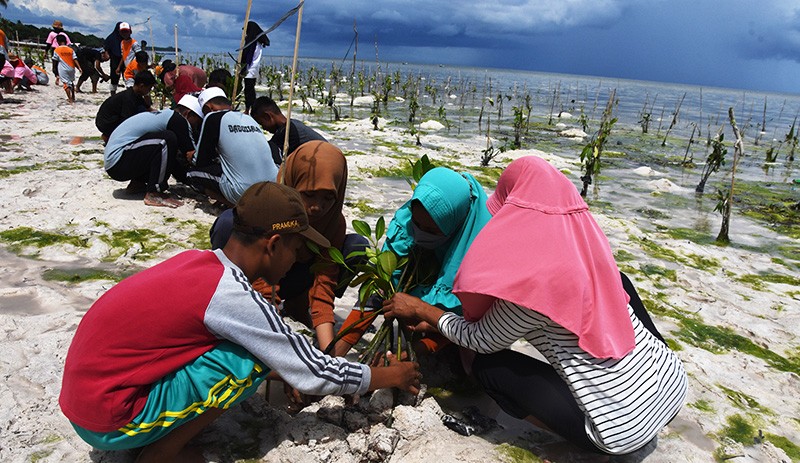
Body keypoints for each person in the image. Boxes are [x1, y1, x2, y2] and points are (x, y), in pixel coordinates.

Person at [60, 181, 420, 463]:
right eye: (295, 249)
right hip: (111, 418)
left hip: (87, 398)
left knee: (254, 352)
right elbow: (312, 369)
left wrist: (286, 368)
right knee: (250, 360)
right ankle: (159, 456)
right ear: (273, 244)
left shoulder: (201, 263)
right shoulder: (232, 296)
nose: (296, 259)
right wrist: (390, 376)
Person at [384, 156, 688, 457]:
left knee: (487, 367)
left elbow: (481, 340)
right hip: (673, 385)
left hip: (620, 432)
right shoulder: (588, 247)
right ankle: (641, 377)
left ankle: (569, 430)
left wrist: (424, 310)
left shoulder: (535, 283)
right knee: (620, 282)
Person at [210, 141, 367, 352]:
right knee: (228, 222)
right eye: (308, 195)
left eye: (328, 197)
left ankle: (298, 305)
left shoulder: (333, 223)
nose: (317, 207)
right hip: (256, 274)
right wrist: (273, 339)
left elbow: (324, 284)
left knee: (357, 246)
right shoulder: (267, 212)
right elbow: (261, 279)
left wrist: (328, 353)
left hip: (298, 274)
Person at [334, 167, 491, 357]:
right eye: (417, 224)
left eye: (431, 231)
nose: (420, 234)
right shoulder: (407, 225)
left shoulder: (478, 250)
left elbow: (467, 320)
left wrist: (408, 355)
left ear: (455, 225)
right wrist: (333, 356)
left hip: (462, 331)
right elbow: (382, 285)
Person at [185, 87, 279, 207]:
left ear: (209, 107)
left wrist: (192, 156)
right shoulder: (248, 118)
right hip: (273, 189)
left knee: (192, 174)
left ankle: (232, 204)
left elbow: (201, 161)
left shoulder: (213, 117)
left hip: (243, 192)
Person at [103, 105, 196, 208]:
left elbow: (169, 159)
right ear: (188, 113)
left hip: (115, 163)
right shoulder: (178, 119)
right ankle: (154, 193)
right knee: (166, 140)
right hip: (118, 162)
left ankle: (138, 183)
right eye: (198, 120)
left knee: (160, 147)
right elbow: (190, 153)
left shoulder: (164, 116)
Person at [251, 95, 327, 165]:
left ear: (267, 116)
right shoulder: (294, 123)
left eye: (261, 123)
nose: (263, 128)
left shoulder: (287, 131)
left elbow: (268, 154)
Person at [95, 70, 155, 142]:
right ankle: (109, 136)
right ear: (141, 86)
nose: (149, 91)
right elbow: (127, 120)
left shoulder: (136, 94)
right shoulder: (129, 98)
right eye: (149, 88)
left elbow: (148, 109)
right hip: (105, 122)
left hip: (111, 118)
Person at [241, 21, 269, 114]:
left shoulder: (252, 42)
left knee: (248, 91)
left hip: (250, 69)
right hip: (255, 69)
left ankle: (249, 109)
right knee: (250, 90)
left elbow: (248, 56)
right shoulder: (258, 41)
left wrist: (243, 68)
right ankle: (250, 108)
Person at [51, 34, 82, 103]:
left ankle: (70, 99)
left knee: (66, 84)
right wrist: (79, 67)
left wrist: (54, 70)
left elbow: (54, 61)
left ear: (58, 41)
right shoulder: (71, 50)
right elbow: (75, 59)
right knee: (71, 82)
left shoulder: (57, 50)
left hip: (63, 69)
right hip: (71, 68)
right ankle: (73, 97)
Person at [104, 22, 124, 95]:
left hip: (124, 60)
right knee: (114, 78)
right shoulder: (111, 37)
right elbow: (106, 47)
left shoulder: (124, 37)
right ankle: (113, 94)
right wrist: (107, 54)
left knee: (127, 77)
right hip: (114, 60)